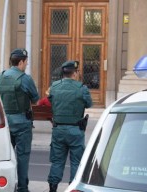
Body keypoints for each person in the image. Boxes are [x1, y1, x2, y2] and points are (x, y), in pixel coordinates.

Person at [0, 48, 40, 192]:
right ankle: (22, 187)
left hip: (4, 122)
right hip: (21, 122)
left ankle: (6, 185)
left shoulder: (0, 76)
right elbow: (35, 99)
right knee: (22, 156)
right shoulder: (25, 79)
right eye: (26, 61)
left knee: (5, 157)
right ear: (21, 62)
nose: (26, 64)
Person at [47, 60, 93, 192]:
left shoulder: (54, 86)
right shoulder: (82, 88)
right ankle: (73, 188)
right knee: (76, 162)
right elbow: (89, 104)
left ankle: (53, 188)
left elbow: (50, 99)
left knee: (57, 161)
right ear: (75, 73)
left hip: (58, 130)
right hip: (75, 130)